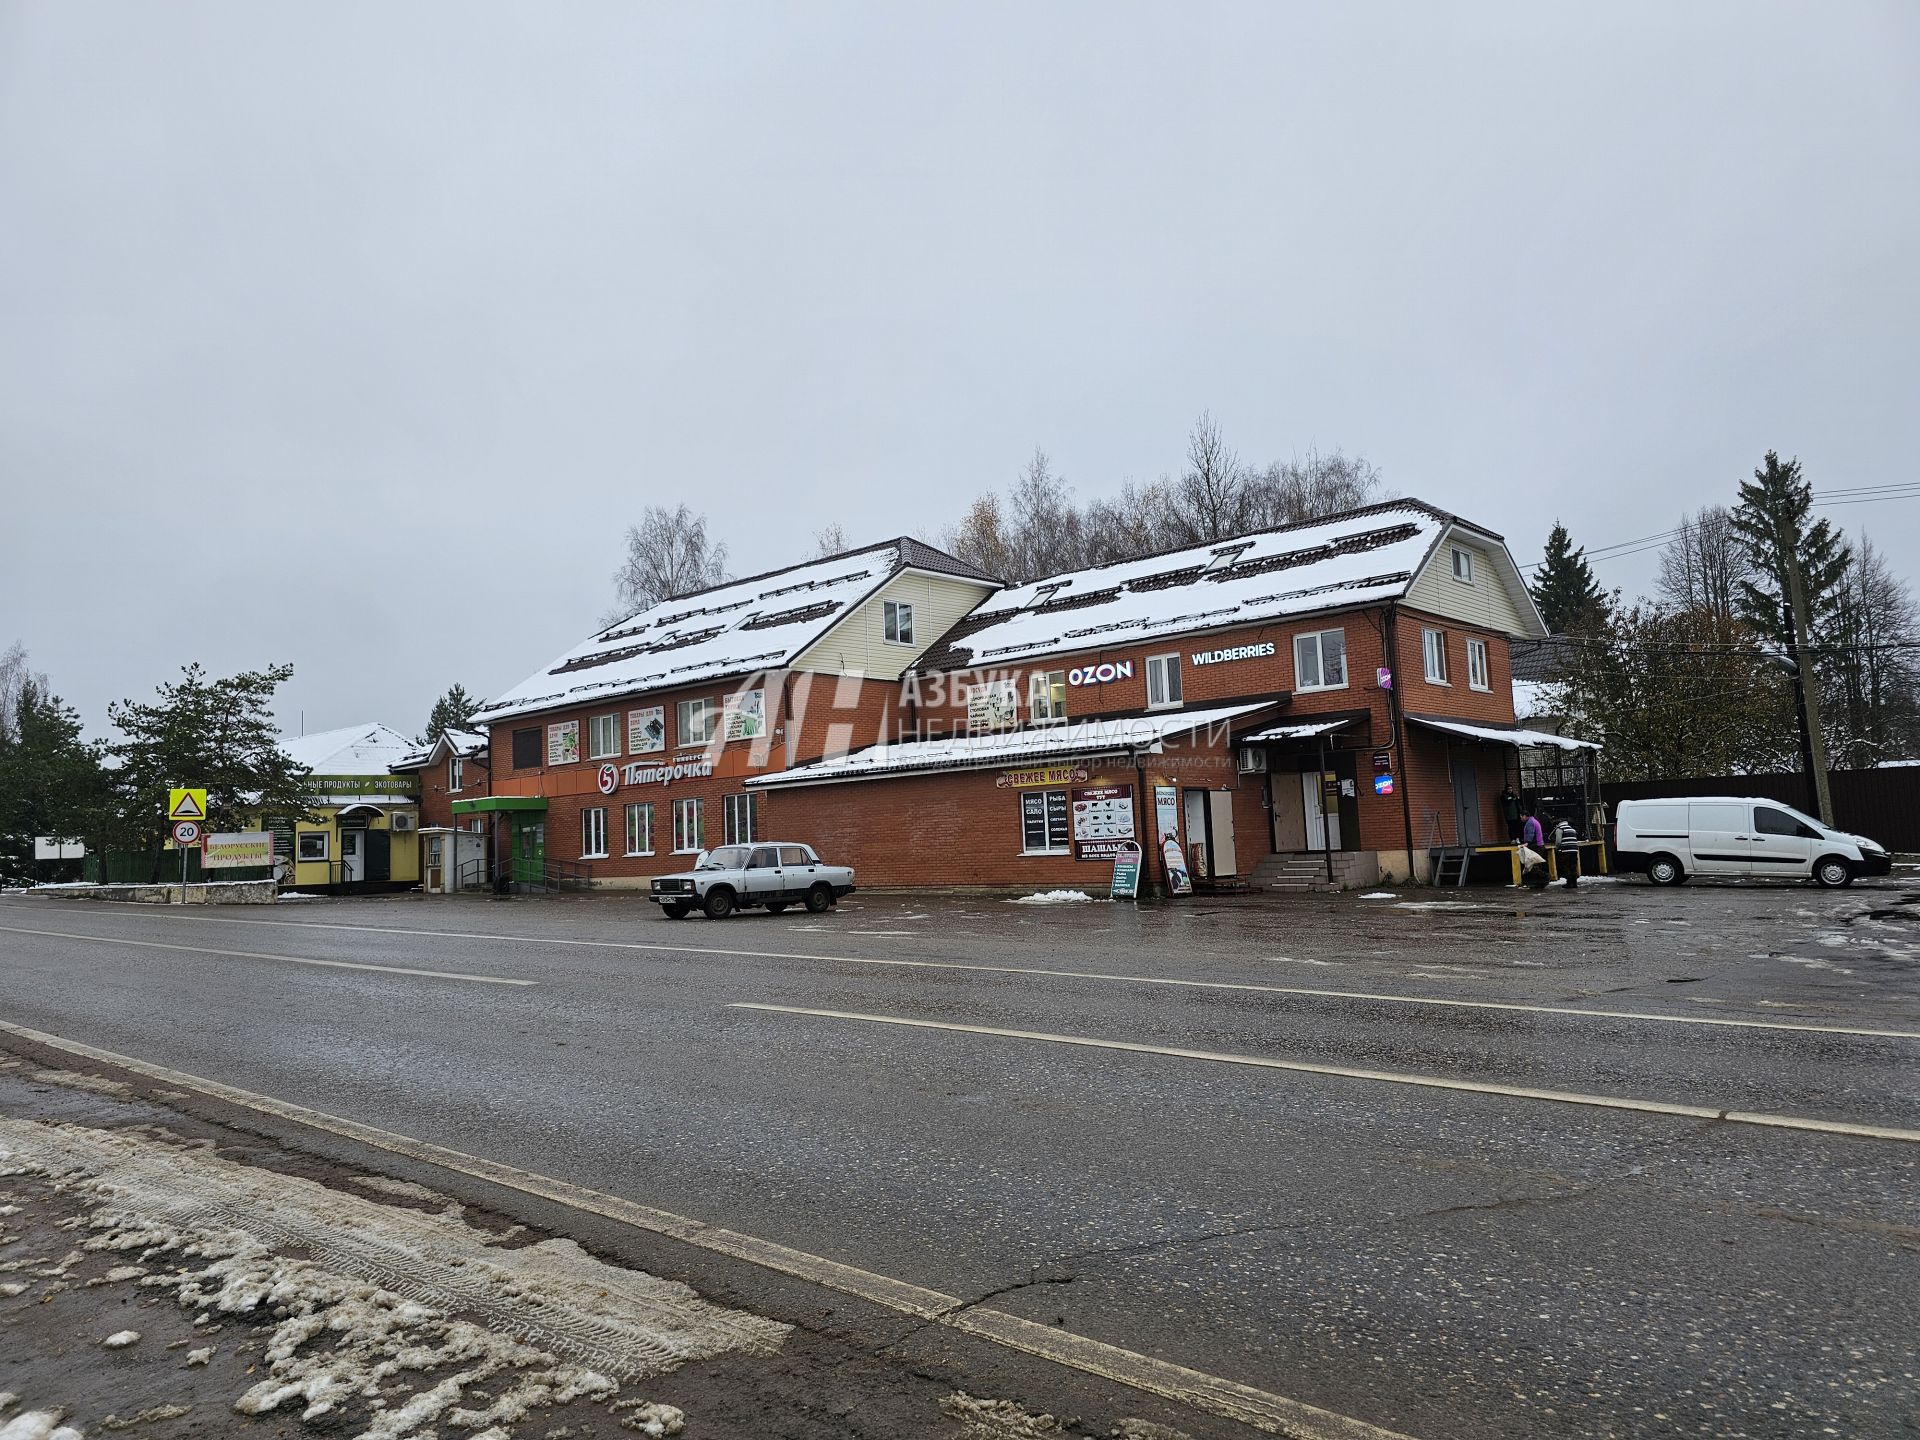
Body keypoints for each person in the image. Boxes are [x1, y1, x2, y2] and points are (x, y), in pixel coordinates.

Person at [1519, 809, 1549, 889]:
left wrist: (1527, 843)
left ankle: (1545, 877)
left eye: (1521, 816)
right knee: (1536, 865)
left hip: (1536, 846)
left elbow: (1530, 834)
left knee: (1532, 865)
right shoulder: (1533, 821)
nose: (1521, 818)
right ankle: (1540, 883)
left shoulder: (1530, 823)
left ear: (1525, 816)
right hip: (1539, 845)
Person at [1551, 816, 1582, 887]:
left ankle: (1569, 883)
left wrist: (1557, 847)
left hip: (1566, 850)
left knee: (1566, 867)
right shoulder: (1572, 829)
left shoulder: (1560, 829)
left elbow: (1558, 841)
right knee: (1573, 867)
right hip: (1574, 850)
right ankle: (1574, 883)